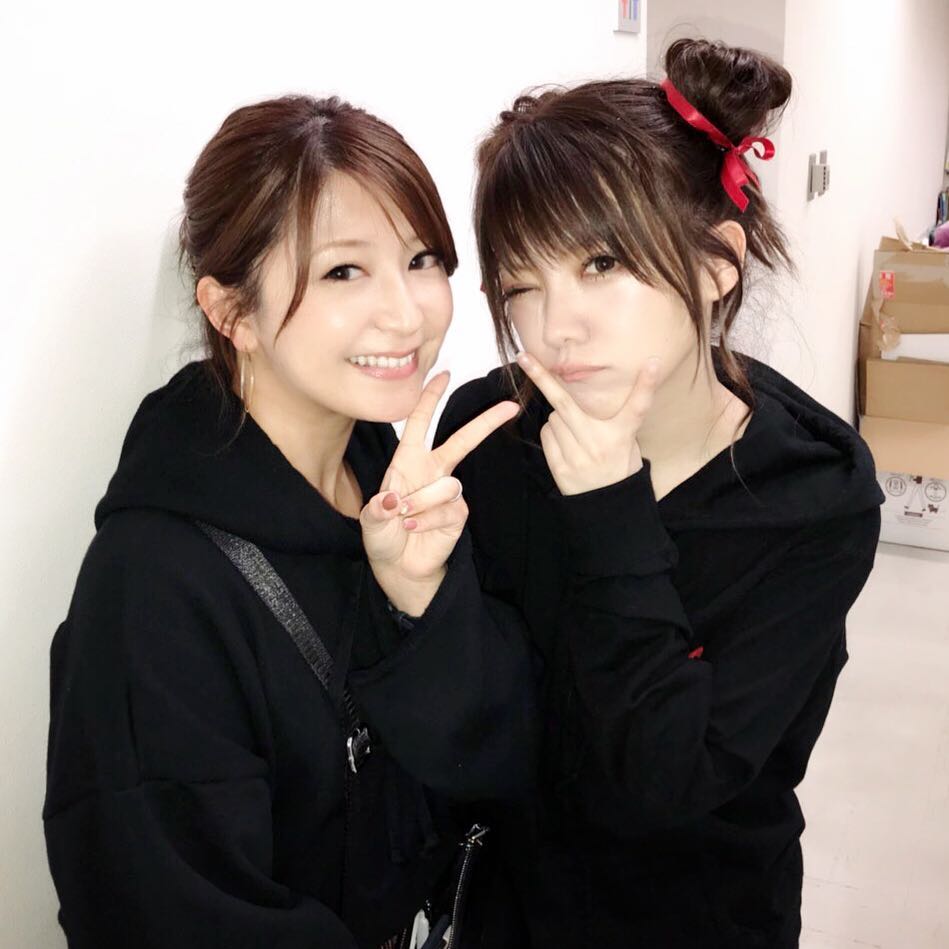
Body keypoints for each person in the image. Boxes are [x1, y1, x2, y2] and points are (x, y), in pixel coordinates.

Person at [43, 94, 534, 949]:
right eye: (343, 271)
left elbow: (494, 757)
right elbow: (164, 908)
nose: (407, 312)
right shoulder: (154, 582)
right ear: (231, 312)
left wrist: (422, 602)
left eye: (421, 259)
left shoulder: (397, 479)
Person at [435, 39, 884, 948]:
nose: (556, 326)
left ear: (717, 263)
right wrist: (408, 597)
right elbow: (469, 718)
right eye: (522, 283)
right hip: (509, 909)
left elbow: (664, 784)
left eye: (602, 264)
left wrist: (610, 510)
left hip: (703, 914)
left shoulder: (812, 498)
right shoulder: (489, 434)